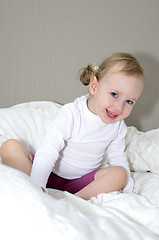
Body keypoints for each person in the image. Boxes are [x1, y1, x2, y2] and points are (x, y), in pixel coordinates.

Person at [0, 52, 144, 200]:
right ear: (94, 87)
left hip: (80, 184)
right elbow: (48, 150)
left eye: (129, 102)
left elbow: (118, 157)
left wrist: (128, 190)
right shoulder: (72, 114)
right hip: (46, 172)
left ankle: (72, 201)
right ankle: (34, 190)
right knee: (9, 146)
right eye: (114, 94)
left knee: (120, 174)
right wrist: (38, 183)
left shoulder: (118, 126)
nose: (119, 108)